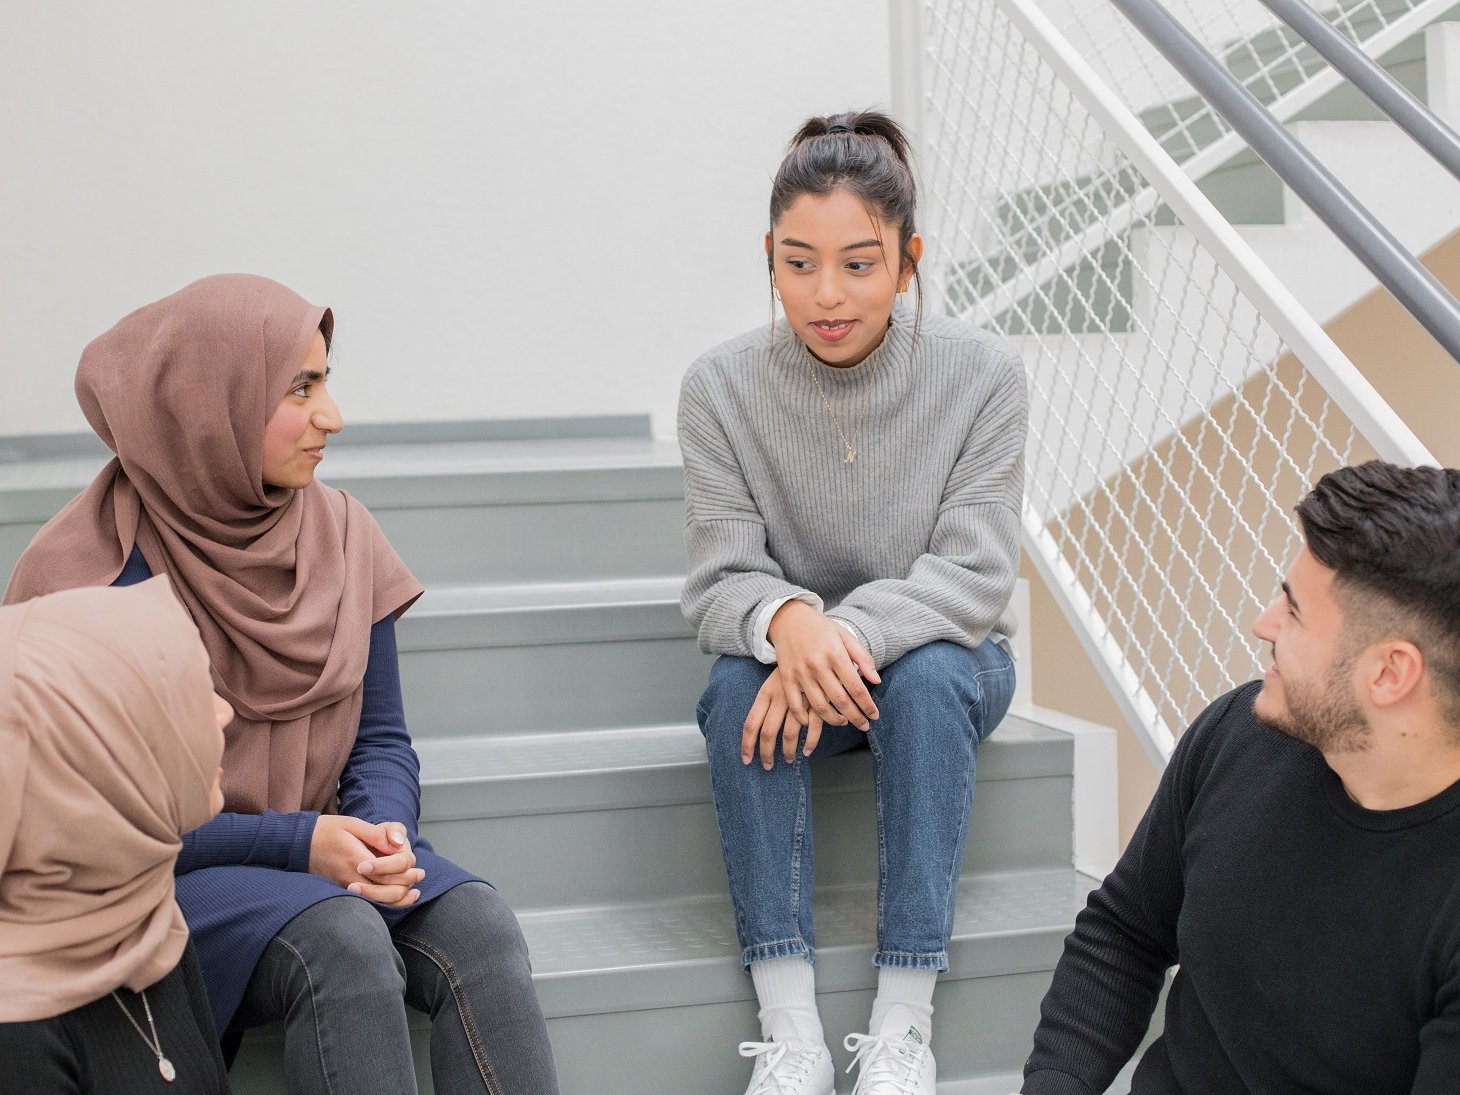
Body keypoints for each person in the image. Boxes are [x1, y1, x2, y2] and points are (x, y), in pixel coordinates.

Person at [4, 274, 560, 1095]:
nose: (331, 416)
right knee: (342, 941)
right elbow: (86, 824)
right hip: (172, 875)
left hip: (332, 850)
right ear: (208, 405)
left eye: (326, 380)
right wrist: (299, 843)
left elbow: (380, 740)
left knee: (479, 922)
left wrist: (382, 833)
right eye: (300, 387)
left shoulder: (341, 533)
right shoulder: (88, 576)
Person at [679, 110, 1027, 1095]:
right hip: (795, 663)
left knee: (923, 679)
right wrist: (788, 627)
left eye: (858, 265)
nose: (825, 296)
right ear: (769, 259)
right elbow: (719, 579)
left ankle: (899, 1025)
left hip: (947, 657)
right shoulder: (718, 388)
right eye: (798, 264)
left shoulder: (983, 375)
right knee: (731, 691)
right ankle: (787, 1030)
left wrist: (831, 633)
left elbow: (970, 575)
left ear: (907, 262)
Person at [1018, 461, 1460, 1094]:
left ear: (1390, 673)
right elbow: (1126, 932)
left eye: (1295, 609)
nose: (1263, 622)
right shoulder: (1239, 729)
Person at [0, 577, 232, 1093]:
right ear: (98, 762)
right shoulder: (16, 1040)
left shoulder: (146, 917)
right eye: (185, 698)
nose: (224, 712)